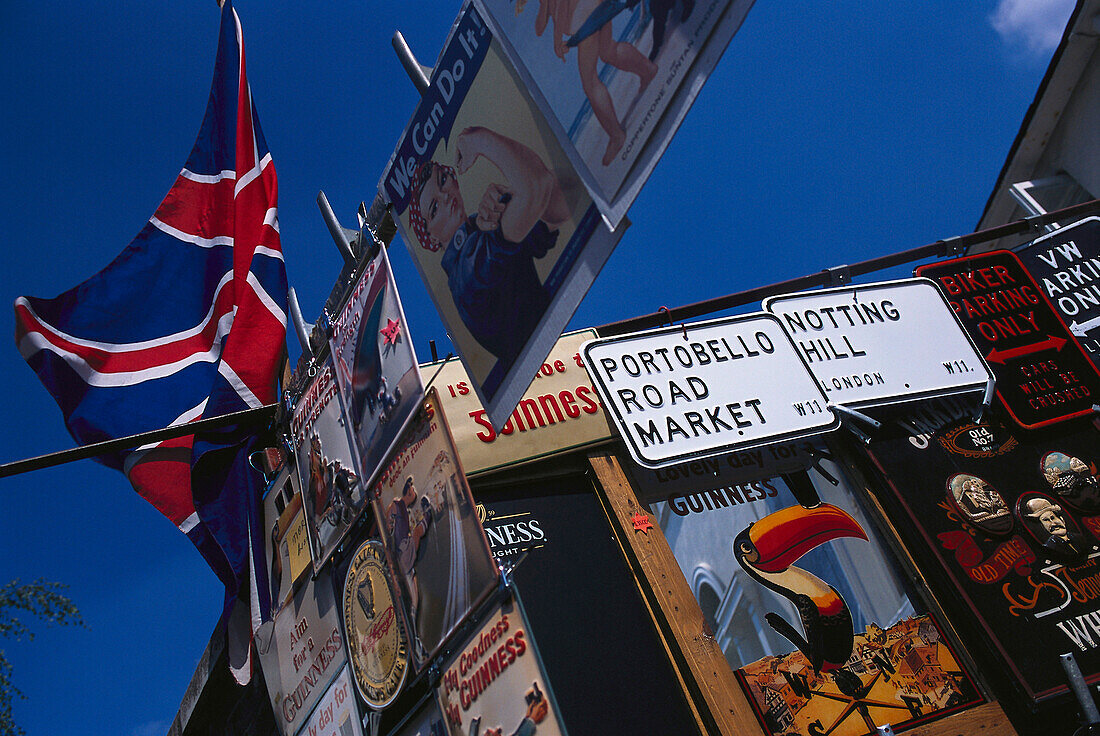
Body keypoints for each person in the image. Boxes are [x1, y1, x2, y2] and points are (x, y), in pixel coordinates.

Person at [408, 127, 569, 374]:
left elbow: (563, 199)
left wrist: (514, 200)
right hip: (545, 376)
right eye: (434, 209)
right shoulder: (467, 275)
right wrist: (481, 140)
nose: (445, 196)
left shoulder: (482, 229)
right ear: (431, 237)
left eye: (442, 181)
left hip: (560, 353)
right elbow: (538, 188)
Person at [387, 476, 430, 632]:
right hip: (402, 551)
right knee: (418, 532)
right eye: (412, 489)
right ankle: (428, 513)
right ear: (408, 490)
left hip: (404, 556)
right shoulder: (396, 506)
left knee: (415, 599)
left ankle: (412, 629)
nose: (414, 492)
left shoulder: (404, 509)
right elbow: (389, 530)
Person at [1024, 496, 1087, 562]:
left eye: (1053, 518)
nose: (1053, 523)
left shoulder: (1079, 538)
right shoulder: (1050, 547)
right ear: (1042, 526)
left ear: (1062, 519)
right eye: (1046, 520)